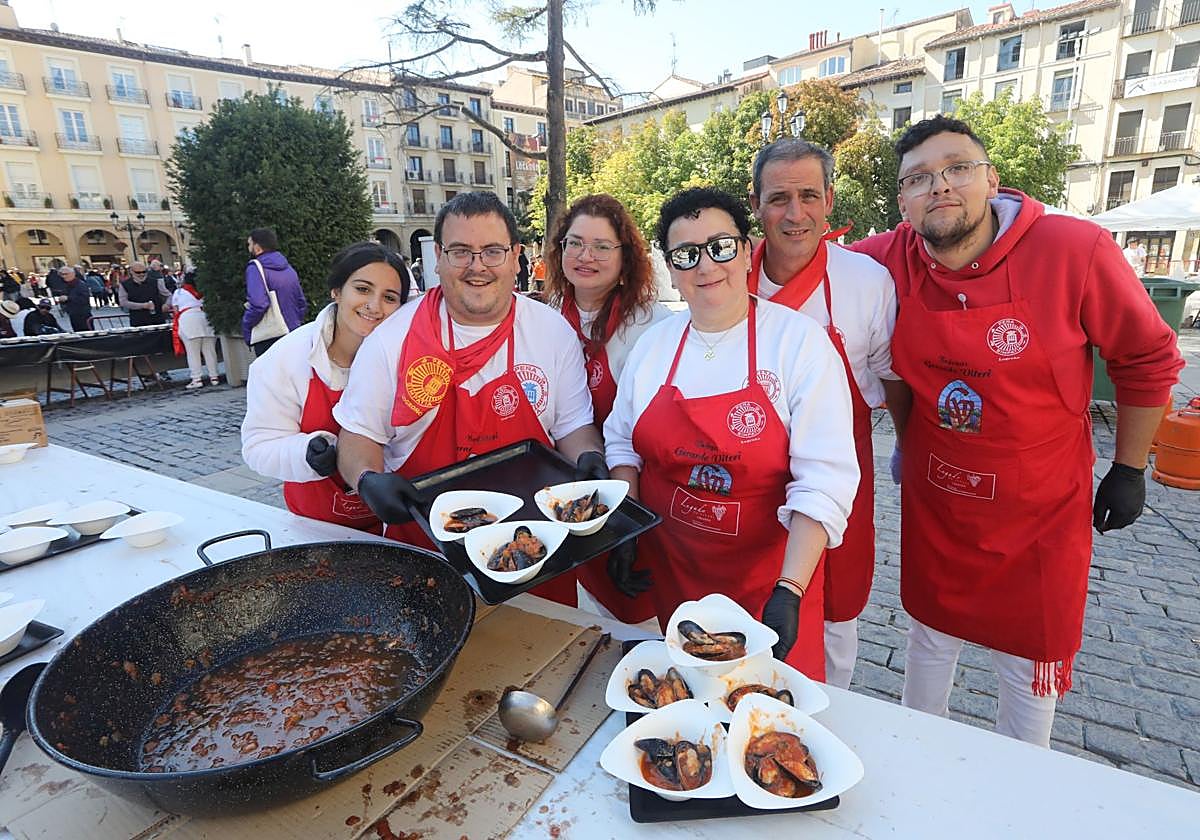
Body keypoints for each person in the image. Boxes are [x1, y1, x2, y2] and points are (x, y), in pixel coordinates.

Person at [850, 115, 1184, 746]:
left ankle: (1023, 790)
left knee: (1029, 662)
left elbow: (1147, 357)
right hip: (940, 501)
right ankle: (919, 763)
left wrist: (1131, 468)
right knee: (928, 638)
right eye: (918, 178)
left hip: (1038, 512)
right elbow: (805, 262)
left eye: (957, 169)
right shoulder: (886, 260)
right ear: (902, 202)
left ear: (990, 179)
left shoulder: (1073, 250)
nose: (940, 187)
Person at [603, 187, 859, 678]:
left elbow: (824, 481)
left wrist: (791, 591)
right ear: (672, 270)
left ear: (745, 252)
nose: (706, 266)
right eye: (686, 254)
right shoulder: (654, 348)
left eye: (720, 246)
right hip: (676, 572)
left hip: (771, 581)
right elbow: (622, 444)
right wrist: (626, 529)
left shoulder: (798, 344)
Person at [334, 192, 604, 605]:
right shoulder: (392, 339)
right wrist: (368, 480)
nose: (477, 267)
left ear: (516, 256)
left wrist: (589, 458)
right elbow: (357, 437)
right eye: (461, 251)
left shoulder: (552, 333)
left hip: (534, 549)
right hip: (426, 553)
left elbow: (573, 427)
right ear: (438, 257)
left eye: (493, 251)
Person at [746, 138, 903, 690]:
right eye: (779, 198)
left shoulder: (865, 281)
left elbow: (889, 377)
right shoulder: (728, 278)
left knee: (837, 608)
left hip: (839, 469)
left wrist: (905, 445)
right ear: (756, 203)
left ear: (830, 200)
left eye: (809, 195)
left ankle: (834, 704)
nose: (795, 213)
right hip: (750, 473)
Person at [544, 194, 672, 622]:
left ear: (625, 258)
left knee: (639, 621)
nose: (586, 256)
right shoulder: (543, 320)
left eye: (602, 246)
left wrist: (627, 526)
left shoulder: (652, 327)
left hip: (637, 495)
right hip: (568, 493)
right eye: (575, 243)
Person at [243, 242, 411, 531]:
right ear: (336, 290)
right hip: (316, 527)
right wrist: (307, 453)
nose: (374, 305)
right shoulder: (285, 360)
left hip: (396, 524)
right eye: (362, 289)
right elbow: (259, 446)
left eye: (390, 297)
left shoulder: (410, 360)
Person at [242, 227, 307, 356]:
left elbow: (258, 303)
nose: (248, 248)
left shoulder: (255, 268)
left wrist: (247, 325)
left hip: (270, 336)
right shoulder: (288, 268)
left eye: (250, 244)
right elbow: (301, 302)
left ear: (257, 247)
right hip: (293, 331)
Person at [170, 271, 220, 389]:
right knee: (210, 351)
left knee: (193, 352)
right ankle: (214, 377)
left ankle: (196, 378)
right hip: (205, 318)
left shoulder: (179, 292)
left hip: (188, 320)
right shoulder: (205, 291)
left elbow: (176, 309)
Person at [118, 261, 172, 327]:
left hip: (158, 320)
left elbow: (169, 295)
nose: (141, 274)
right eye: (138, 272)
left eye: (144, 272)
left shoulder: (156, 282)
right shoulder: (124, 285)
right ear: (131, 272)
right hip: (138, 321)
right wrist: (143, 305)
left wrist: (167, 305)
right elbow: (123, 302)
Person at [56, 266, 93, 332]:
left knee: (87, 333)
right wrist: (62, 300)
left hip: (83, 314)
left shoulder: (80, 284)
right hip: (73, 314)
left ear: (73, 274)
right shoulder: (66, 285)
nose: (64, 276)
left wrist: (68, 298)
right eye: (62, 274)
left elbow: (84, 299)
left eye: (66, 274)